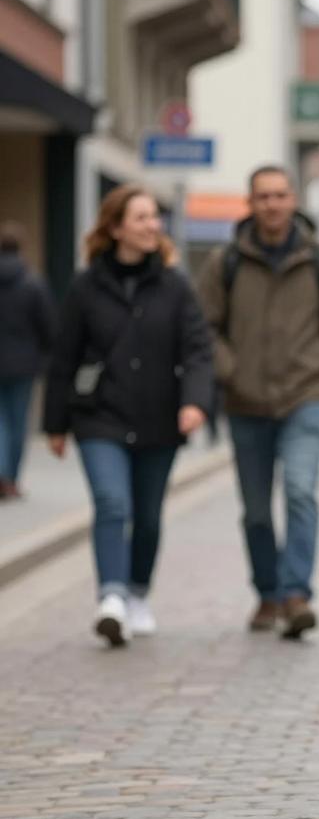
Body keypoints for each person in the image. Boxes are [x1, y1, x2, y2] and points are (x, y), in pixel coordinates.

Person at [43, 185, 213, 647]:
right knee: (112, 504)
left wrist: (194, 402)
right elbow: (64, 357)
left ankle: (137, 593)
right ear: (116, 228)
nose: (152, 225)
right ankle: (112, 598)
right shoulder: (86, 286)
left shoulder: (175, 285)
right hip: (100, 417)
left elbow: (198, 350)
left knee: (149, 517)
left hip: (160, 418)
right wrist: (54, 424)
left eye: (154, 217)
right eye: (141, 218)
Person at [197, 166, 319, 640]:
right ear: (250, 203)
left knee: (300, 492)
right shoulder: (226, 261)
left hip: (306, 395)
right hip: (245, 401)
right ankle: (267, 593)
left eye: (280, 195)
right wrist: (230, 369)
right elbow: (203, 327)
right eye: (263, 196)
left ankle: (296, 595)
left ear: (293, 201)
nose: (272, 204)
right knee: (255, 510)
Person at [0, 221, 55, 500]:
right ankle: (9, 478)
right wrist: (45, 359)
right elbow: (48, 327)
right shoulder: (33, 284)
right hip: (23, 365)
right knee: (17, 423)